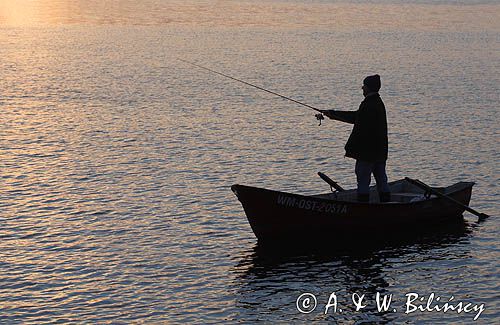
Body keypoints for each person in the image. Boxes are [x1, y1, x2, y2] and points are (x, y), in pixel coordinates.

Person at [317, 74, 390, 203]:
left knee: (363, 181)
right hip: (379, 152)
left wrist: (333, 114)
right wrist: (332, 114)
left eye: (364, 86)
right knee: (382, 180)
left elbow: (354, 118)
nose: (362, 88)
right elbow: (357, 117)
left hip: (366, 154)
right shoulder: (378, 103)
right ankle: (387, 204)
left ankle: (363, 208)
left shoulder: (368, 105)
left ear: (368, 88)